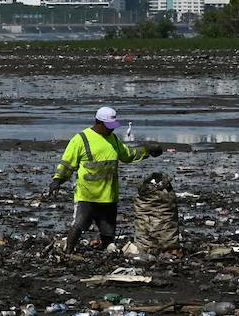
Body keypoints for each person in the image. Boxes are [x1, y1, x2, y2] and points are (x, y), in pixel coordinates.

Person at [46, 106, 163, 253]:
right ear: (99, 123)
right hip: (87, 196)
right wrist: (58, 180)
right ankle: (68, 251)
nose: (111, 130)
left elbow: (127, 155)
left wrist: (146, 150)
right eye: (109, 127)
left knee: (108, 230)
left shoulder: (113, 139)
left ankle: (108, 250)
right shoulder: (81, 139)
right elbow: (67, 163)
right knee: (79, 225)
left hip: (108, 196)